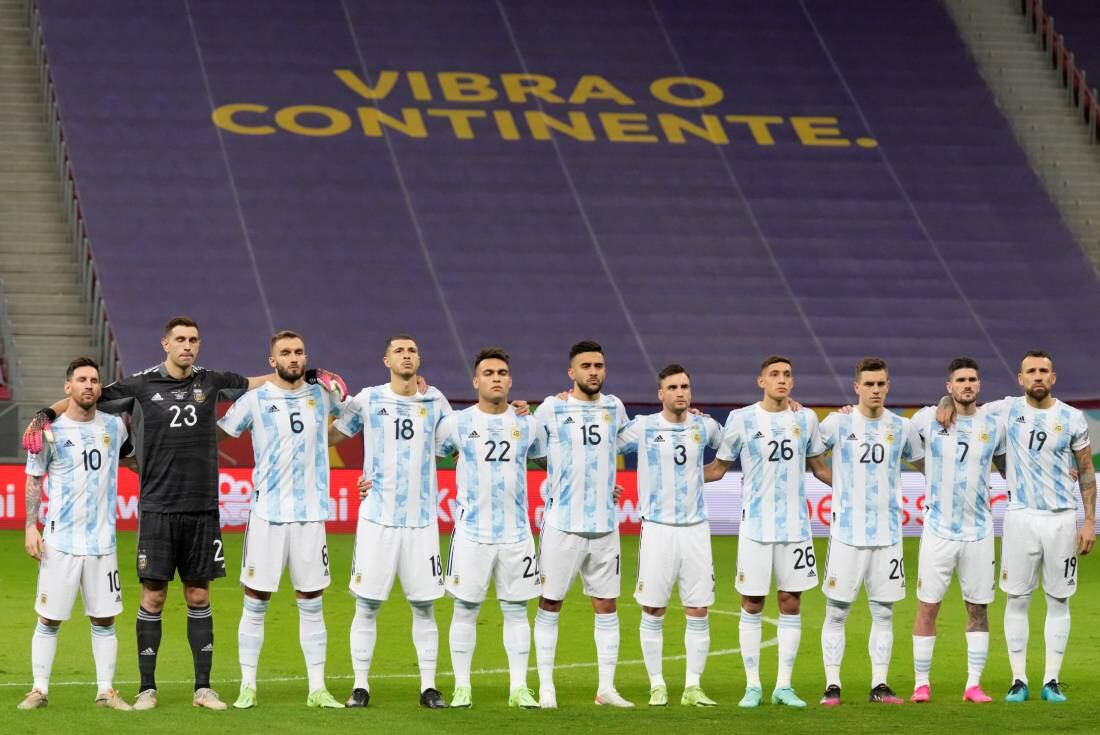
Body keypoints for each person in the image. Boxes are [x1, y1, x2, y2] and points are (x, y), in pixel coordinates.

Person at [20, 316, 345, 710]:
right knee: (152, 598)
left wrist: (303, 374)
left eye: (193, 339)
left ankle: (203, 689)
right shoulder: (140, 384)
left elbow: (255, 382)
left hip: (202, 507)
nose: (187, 346)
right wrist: (45, 415)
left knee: (198, 594)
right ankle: (146, 689)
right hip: (157, 507)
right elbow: (86, 397)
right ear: (165, 344)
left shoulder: (210, 380)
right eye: (180, 340)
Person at [943, 350, 1094, 703]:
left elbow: (1086, 469)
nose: (1038, 376)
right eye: (1031, 371)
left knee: (1059, 598)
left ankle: (1052, 680)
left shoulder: (1072, 418)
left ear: (1053, 378)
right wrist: (943, 401)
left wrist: (1089, 521)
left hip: (1060, 518)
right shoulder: (1005, 410)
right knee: (1018, 597)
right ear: (1020, 378)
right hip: (1020, 517)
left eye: (1044, 371)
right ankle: (1018, 679)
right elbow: (964, 401)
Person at [217, 331, 344, 709]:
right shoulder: (254, 400)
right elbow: (219, 435)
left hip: (310, 515)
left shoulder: (322, 397)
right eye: (286, 353)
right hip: (267, 514)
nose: (294, 357)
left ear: (306, 358)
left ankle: (318, 689)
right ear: (272, 361)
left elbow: (353, 423)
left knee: (311, 599)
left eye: (299, 352)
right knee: (256, 599)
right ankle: (248, 686)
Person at [330, 334, 452, 709]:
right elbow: (331, 435)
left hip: (420, 522)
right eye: (399, 350)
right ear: (386, 361)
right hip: (377, 520)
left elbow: (459, 443)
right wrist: (326, 404)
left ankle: (429, 687)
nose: (406, 355)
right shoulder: (369, 399)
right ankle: (361, 686)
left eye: (412, 350)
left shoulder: (436, 401)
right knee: (366, 605)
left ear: (419, 359)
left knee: (424, 606)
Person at [704, 355, 832, 709]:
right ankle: (752, 686)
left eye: (787, 374)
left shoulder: (805, 419)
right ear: (761, 381)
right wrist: (678, 477)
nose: (781, 380)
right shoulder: (742, 419)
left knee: (791, 602)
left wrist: (854, 490)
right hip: (756, 528)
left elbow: (820, 469)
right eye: (774, 374)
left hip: (795, 528)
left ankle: (784, 686)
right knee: (752, 602)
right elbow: (717, 469)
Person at [18, 357, 132, 711]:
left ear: (100, 388)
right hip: (60, 542)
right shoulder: (48, 432)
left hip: (102, 542)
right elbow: (34, 478)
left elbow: (131, 460)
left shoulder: (115, 427)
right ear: (67, 387)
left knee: (104, 618)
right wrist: (30, 526)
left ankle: (105, 691)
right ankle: (39, 689)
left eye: (94, 380)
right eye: (81, 379)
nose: (88, 385)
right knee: (49, 617)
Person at [436, 347, 544, 709]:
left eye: (501, 373)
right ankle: (462, 688)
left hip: (516, 534)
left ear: (510, 381)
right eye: (488, 373)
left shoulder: (528, 424)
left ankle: (518, 688)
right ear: (476, 381)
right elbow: (428, 457)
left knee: (516, 610)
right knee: (465, 609)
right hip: (472, 534)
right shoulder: (456, 423)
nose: (495, 378)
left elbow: (547, 459)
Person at [817, 357, 923, 706]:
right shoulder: (838, 423)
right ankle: (832, 685)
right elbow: (810, 453)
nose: (875, 390)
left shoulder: (901, 427)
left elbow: (922, 463)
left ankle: (880, 685)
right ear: (856, 387)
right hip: (847, 533)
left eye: (881, 384)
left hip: (888, 535)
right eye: (869, 384)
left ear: (888, 386)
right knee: (837, 611)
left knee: (884, 612)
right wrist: (841, 485)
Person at [532, 340, 632, 709]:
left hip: (606, 526)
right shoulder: (552, 408)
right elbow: (535, 450)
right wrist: (564, 479)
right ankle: (546, 687)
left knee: (607, 606)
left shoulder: (615, 407)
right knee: (550, 603)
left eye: (599, 365)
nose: (594, 371)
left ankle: (606, 688)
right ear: (571, 373)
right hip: (562, 525)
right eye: (586, 366)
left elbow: (615, 447)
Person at [617, 363, 723, 707]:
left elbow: (733, 448)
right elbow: (602, 445)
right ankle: (657, 685)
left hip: (695, 530)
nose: (681, 392)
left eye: (685, 387)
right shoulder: (645, 428)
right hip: (658, 529)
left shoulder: (704, 426)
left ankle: (693, 686)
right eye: (674, 387)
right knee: (653, 609)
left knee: (698, 609)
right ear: (661, 394)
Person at [907, 358, 1005, 704]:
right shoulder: (926, 419)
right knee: (927, 607)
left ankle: (973, 685)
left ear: (979, 385)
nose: (967, 384)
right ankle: (921, 683)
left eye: (972, 379)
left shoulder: (993, 425)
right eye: (960, 380)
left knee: (978, 609)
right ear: (948, 386)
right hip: (938, 530)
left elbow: (1009, 468)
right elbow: (897, 440)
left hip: (978, 531)